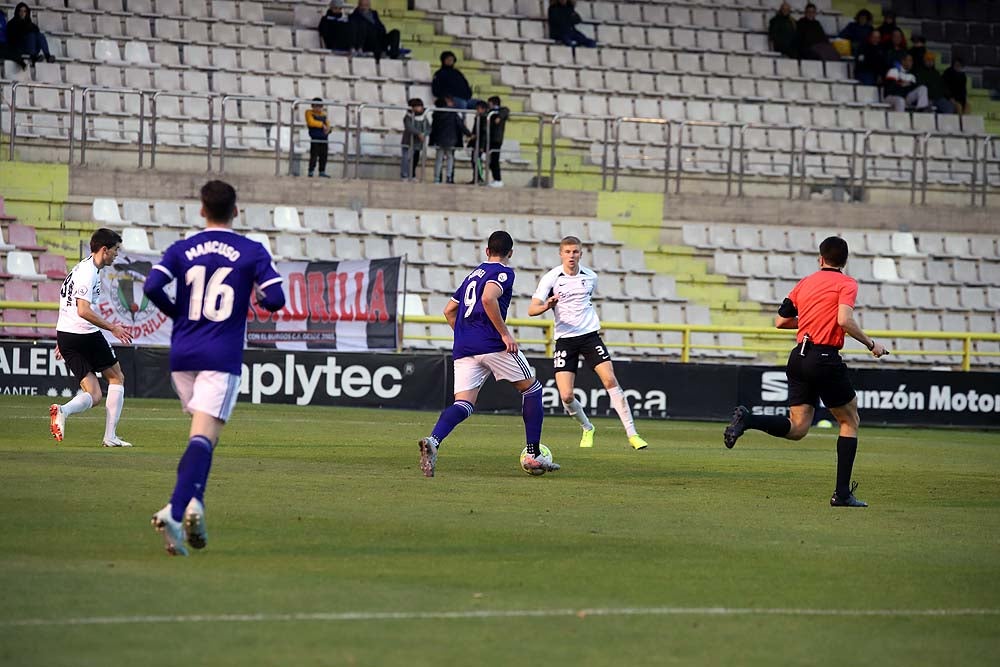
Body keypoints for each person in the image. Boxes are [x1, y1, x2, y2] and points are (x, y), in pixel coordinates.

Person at [143, 180, 286, 556]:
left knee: (201, 437)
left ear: (202, 210)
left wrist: (180, 314)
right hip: (220, 355)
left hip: (182, 355)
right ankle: (175, 509)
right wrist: (255, 295)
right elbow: (276, 299)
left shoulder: (182, 248)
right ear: (235, 210)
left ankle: (195, 506)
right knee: (203, 438)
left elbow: (152, 286)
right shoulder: (250, 250)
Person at [723, 236, 889, 508]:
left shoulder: (805, 283)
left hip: (799, 356)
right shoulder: (847, 283)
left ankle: (748, 419)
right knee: (850, 421)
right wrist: (872, 345)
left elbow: (781, 320)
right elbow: (844, 320)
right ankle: (842, 494)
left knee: (798, 428)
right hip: (824, 357)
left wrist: (812, 320)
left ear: (820, 258)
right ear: (844, 262)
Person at [417, 230, 557, 478]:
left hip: (464, 347)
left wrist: (465, 335)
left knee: (464, 404)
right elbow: (489, 298)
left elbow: (449, 310)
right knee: (532, 390)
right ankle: (533, 454)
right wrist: (504, 334)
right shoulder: (503, 272)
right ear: (510, 253)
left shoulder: (473, 275)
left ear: (486, 250)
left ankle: (434, 441)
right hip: (492, 343)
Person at [528, 236, 649, 451]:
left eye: (575, 252)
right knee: (566, 396)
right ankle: (587, 427)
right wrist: (548, 305)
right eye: (567, 252)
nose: (571, 256)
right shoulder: (552, 278)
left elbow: (586, 303)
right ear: (561, 254)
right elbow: (531, 310)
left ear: (581, 254)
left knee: (610, 380)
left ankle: (633, 434)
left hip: (589, 335)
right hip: (565, 340)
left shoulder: (590, 277)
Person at [49, 228, 134, 448]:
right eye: (115, 250)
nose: (116, 254)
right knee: (116, 377)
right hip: (82, 333)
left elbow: (65, 304)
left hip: (67, 334)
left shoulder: (80, 268)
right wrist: (113, 328)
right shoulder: (88, 272)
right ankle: (110, 436)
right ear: (104, 250)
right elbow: (83, 311)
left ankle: (63, 411)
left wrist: (62, 338)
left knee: (94, 395)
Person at [429, 96, 469, 184]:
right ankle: (449, 177)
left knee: (439, 159)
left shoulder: (436, 114)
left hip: (439, 140)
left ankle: (437, 178)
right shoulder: (453, 113)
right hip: (451, 140)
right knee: (450, 158)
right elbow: (461, 126)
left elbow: (433, 128)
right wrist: (469, 134)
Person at [400, 97, 428, 180]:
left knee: (415, 160)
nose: (420, 108)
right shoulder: (407, 117)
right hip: (408, 141)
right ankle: (404, 175)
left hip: (417, 143)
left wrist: (424, 133)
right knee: (406, 159)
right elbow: (409, 127)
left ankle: (412, 175)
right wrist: (418, 133)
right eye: (418, 106)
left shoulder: (423, 117)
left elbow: (428, 127)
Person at [485, 96, 509, 188]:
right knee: (491, 161)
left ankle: (498, 180)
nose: (488, 105)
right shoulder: (490, 112)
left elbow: (506, 110)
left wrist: (499, 117)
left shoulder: (500, 112)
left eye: (489, 103)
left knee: (494, 160)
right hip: (490, 139)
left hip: (496, 139)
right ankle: (496, 179)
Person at [305, 98, 331, 178]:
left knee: (323, 155)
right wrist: (322, 125)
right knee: (314, 155)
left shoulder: (323, 115)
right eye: (316, 106)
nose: (318, 108)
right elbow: (311, 122)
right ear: (312, 106)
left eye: (320, 106)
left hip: (324, 138)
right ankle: (311, 171)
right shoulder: (309, 113)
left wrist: (328, 130)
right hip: (315, 137)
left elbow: (328, 124)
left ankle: (322, 171)